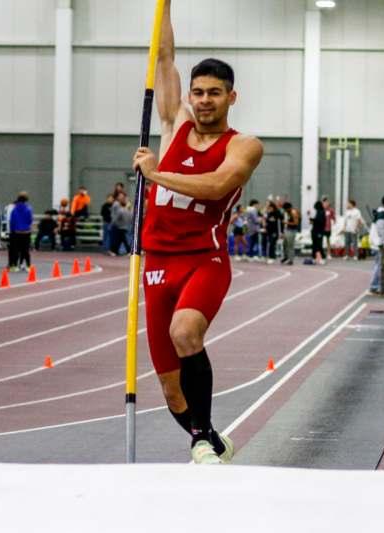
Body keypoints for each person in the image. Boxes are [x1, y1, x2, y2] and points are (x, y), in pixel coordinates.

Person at [130, 0, 264, 464]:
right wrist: (163, 7)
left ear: (232, 97)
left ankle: (201, 443)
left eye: (215, 93)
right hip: (157, 262)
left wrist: (157, 175)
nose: (204, 100)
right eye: (199, 92)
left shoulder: (244, 145)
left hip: (202, 259)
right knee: (170, 390)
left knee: (186, 331)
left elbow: (217, 185)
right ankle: (208, 438)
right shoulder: (174, 124)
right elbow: (164, 57)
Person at [8, 192, 33, 271]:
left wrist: (13, 231)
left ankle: (14, 266)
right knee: (25, 250)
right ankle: (28, 266)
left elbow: (12, 222)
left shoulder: (14, 210)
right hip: (26, 232)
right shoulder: (29, 209)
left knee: (15, 250)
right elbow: (30, 220)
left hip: (16, 232)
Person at [110, 191, 133, 255]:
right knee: (121, 238)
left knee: (121, 239)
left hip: (123, 225)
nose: (122, 198)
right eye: (120, 196)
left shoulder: (125, 205)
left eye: (123, 196)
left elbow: (129, 215)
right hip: (118, 225)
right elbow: (118, 214)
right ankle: (126, 250)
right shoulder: (117, 204)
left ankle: (115, 251)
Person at [264, 200, 282, 264]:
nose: (269, 209)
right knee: (269, 244)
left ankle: (272, 257)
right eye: (269, 208)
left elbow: (280, 222)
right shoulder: (269, 214)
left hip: (275, 232)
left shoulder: (277, 213)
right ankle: (270, 256)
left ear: (273, 207)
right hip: (269, 231)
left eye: (270, 208)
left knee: (272, 244)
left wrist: (281, 232)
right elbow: (267, 221)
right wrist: (265, 227)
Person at [310, 200, 326, 265]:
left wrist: (313, 220)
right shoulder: (318, 212)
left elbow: (320, 222)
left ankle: (322, 257)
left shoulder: (321, 212)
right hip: (315, 230)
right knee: (314, 245)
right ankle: (314, 258)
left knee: (318, 245)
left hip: (319, 231)